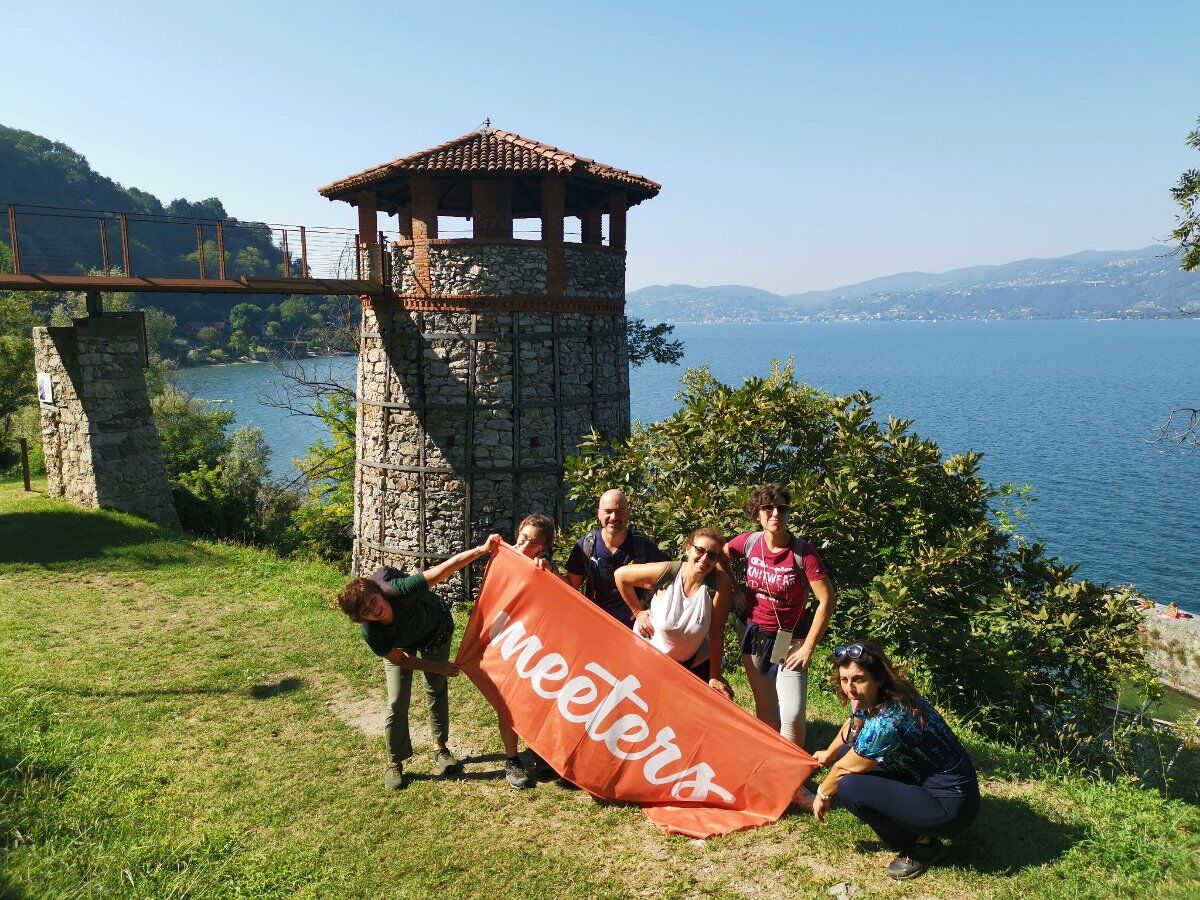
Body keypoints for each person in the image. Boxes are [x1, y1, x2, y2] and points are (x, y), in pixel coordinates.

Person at [332, 534, 501, 790]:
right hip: (401, 643)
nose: (374, 609)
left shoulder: (400, 590)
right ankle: (394, 761)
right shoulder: (372, 633)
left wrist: (483, 549)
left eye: (373, 601)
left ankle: (441, 749)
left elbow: (445, 569)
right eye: (366, 611)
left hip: (434, 628)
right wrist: (437, 667)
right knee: (397, 700)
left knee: (436, 687)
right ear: (361, 618)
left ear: (380, 593)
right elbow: (400, 659)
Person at [811, 640, 980, 881]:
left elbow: (841, 772)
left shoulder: (891, 718)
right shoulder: (876, 697)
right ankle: (915, 822)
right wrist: (828, 754)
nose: (850, 688)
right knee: (844, 755)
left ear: (879, 678)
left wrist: (822, 794)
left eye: (858, 679)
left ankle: (923, 844)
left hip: (952, 804)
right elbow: (854, 725)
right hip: (926, 777)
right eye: (844, 679)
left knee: (850, 787)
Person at [725, 483, 835, 749]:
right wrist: (734, 588)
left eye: (782, 508)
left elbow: (827, 599)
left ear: (788, 514)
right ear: (757, 514)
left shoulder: (802, 552)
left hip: (790, 639)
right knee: (766, 708)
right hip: (753, 633)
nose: (775, 513)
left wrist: (808, 647)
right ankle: (769, 760)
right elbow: (720, 555)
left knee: (793, 714)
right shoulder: (749, 542)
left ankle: (792, 776)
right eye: (768, 508)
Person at [613, 527, 735, 699]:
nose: (705, 558)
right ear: (687, 548)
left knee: (720, 701)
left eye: (712, 555)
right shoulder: (668, 572)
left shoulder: (719, 583)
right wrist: (638, 612)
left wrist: (714, 676)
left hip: (687, 663)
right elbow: (621, 575)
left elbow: (716, 631)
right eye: (700, 550)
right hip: (646, 658)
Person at [496, 513, 558, 788]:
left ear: (541, 547)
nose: (524, 545)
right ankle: (512, 760)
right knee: (507, 701)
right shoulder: (502, 558)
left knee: (536, 698)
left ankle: (537, 751)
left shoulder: (544, 567)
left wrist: (549, 574)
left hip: (536, 641)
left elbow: (565, 597)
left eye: (532, 543)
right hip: (508, 639)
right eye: (522, 538)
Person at [565, 488, 668, 627]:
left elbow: (667, 579)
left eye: (619, 512)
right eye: (608, 511)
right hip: (593, 626)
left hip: (631, 629)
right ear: (599, 514)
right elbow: (570, 587)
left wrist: (644, 604)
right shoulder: (585, 546)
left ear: (628, 514)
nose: (613, 517)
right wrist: (548, 567)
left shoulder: (642, 546)